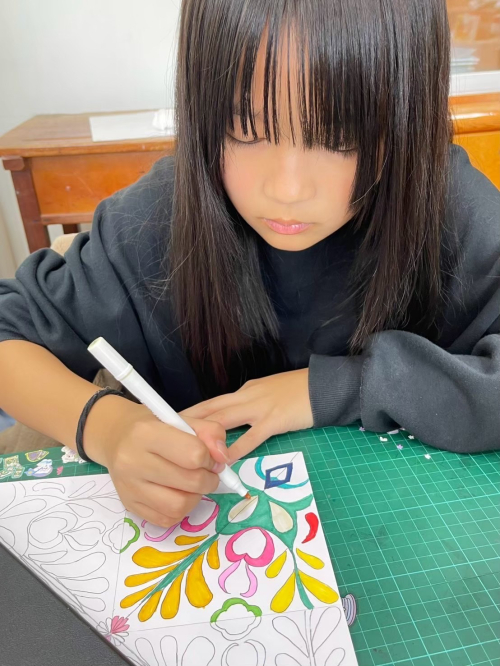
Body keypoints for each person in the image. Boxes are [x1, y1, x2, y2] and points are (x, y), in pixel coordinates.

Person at [0, 0, 498, 528]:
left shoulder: (451, 208)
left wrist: (338, 387)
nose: (286, 189)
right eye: (245, 128)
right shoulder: (158, 218)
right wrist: (108, 429)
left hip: (407, 528)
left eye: (341, 136)